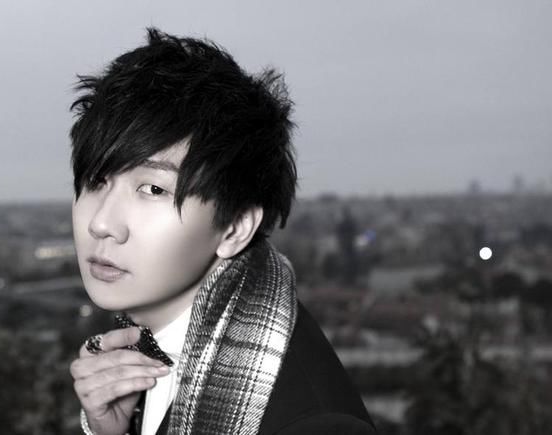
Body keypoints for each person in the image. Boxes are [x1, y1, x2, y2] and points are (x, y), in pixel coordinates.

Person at [68, 28, 376, 435]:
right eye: (96, 180)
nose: (101, 223)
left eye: (153, 189)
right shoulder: (154, 347)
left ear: (234, 228)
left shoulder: (314, 425)